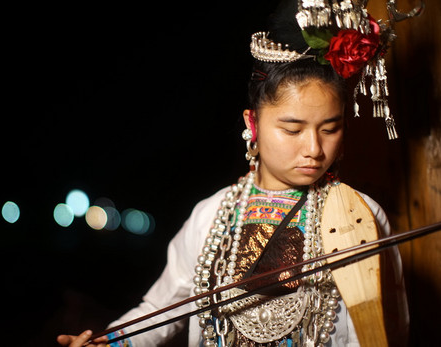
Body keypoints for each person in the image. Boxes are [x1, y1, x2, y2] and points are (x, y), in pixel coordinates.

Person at [57, 1, 411, 346]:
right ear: (252, 124)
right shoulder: (209, 216)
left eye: (330, 129)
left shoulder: (358, 217)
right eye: (292, 129)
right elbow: (159, 309)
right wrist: (112, 342)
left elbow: (384, 331)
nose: (315, 149)